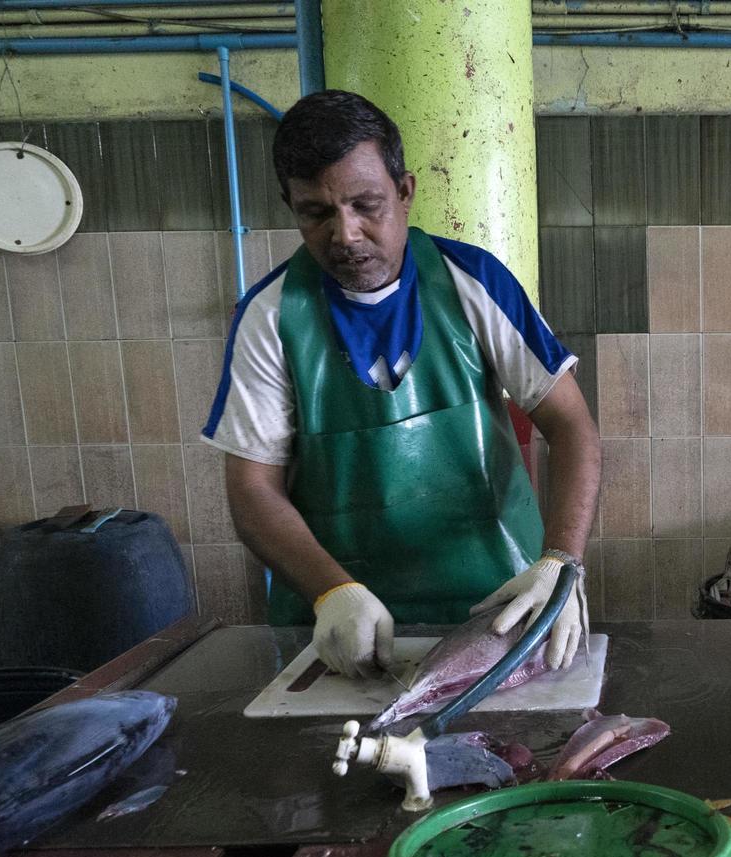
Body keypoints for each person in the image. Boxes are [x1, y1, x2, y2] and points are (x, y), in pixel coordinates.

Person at [202, 90, 601, 678]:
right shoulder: (270, 316)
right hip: (341, 619)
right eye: (315, 212)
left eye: (367, 204)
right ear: (289, 204)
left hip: (494, 603)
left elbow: (571, 427)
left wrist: (561, 562)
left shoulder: (474, 282)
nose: (347, 235)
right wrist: (331, 591)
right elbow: (252, 490)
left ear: (406, 191)